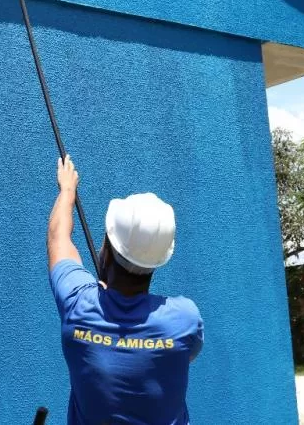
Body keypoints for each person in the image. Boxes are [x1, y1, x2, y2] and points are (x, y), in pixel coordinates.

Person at [48, 156, 204, 425]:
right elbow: (184, 355)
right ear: (158, 260)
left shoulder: (78, 304)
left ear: (107, 250)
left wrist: (67, 190)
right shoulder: (185, 319)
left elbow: (58, 238)